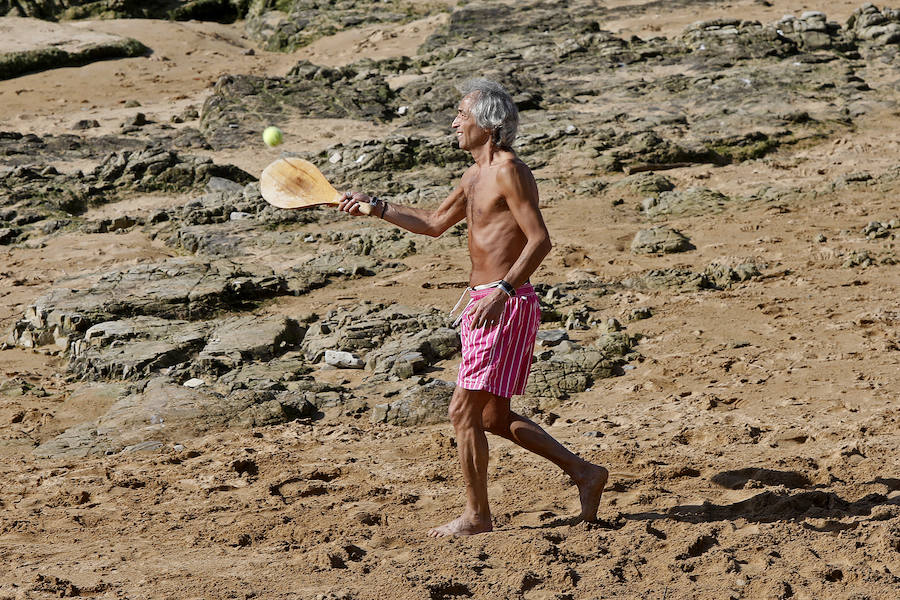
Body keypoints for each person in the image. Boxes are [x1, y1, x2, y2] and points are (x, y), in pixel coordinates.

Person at [338, 78, 608, 537]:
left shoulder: (509, 171)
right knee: (491, 418)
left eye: (461, 114)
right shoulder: (473, 176)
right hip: (483, 304)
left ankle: (478, 516)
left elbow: (540, 240)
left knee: (462, 411)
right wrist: (375, 205)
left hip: (505, 304)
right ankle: (584, 473)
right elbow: (432, 223)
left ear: (487, 123)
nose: (454, 122)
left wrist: (502, 290)